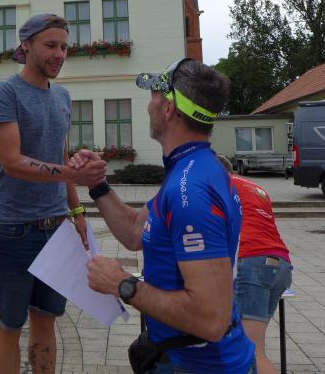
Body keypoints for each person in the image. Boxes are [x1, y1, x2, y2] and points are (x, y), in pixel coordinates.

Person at [73, 58, 256, 373]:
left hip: (201, 365)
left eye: (154, 96)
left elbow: (211, 320)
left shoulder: (191, 189)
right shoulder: (191, 169)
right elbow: (135, 231)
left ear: (169, 108)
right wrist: (97, 185)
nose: (149, 106)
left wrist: (123, 284)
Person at [0, 13, 107, 374]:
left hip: (57, 229)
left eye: (64, 47)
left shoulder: (63, 96)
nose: (59, 54)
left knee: (46, 319)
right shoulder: (5, 93)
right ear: (26, 45)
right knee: (10, 325)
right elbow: (12, 162)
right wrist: (73, 174)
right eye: (51, 45)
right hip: (15, 230)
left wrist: (77, 212)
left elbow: (60, 156)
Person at [219, 156, 292, 374]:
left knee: (251, 352)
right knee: (252, 346)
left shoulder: (222, 185)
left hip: (254, 261)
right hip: (280, 263)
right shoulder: (256, 188)